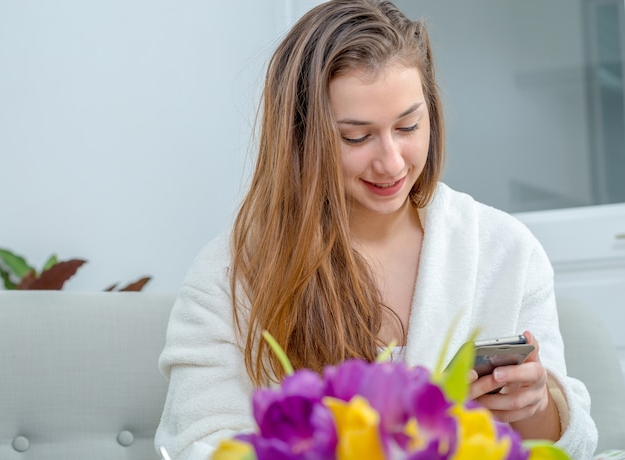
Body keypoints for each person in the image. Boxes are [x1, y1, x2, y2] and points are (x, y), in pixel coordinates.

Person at [155, 0, 598, 458]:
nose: (391, 162)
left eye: (408, 126)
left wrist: (536, 405)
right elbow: (198, 444)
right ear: (302, 136)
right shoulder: (229, 274)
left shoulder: (505, 251)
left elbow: (570, 445)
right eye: (356, 137)